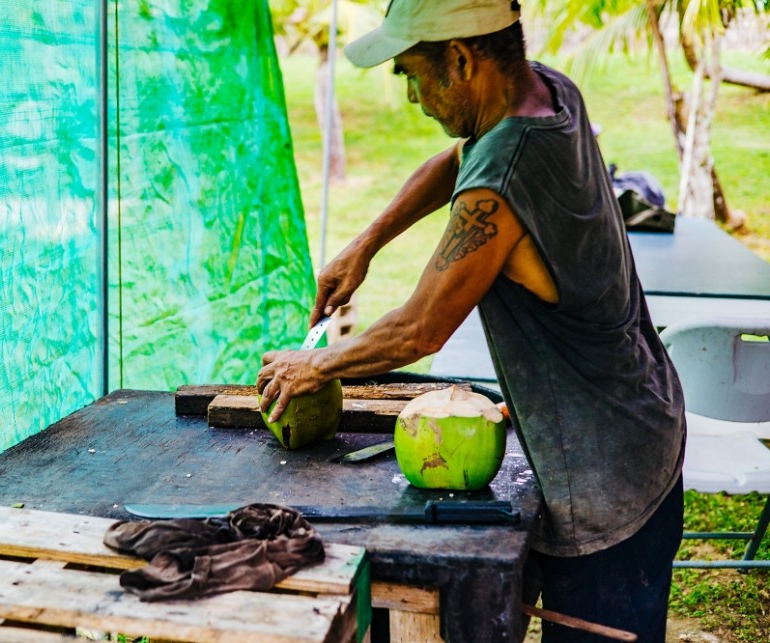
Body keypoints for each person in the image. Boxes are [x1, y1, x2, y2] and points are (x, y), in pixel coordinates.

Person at [256, 1, 686, 640]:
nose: (411, 97)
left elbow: (421, 328)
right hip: (641, 416)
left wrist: (312, 363)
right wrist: (366, 243)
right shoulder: (544, 91)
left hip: (606, 474)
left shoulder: (507, 175)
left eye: (413, 75)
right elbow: (462, 160)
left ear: (460, 59)